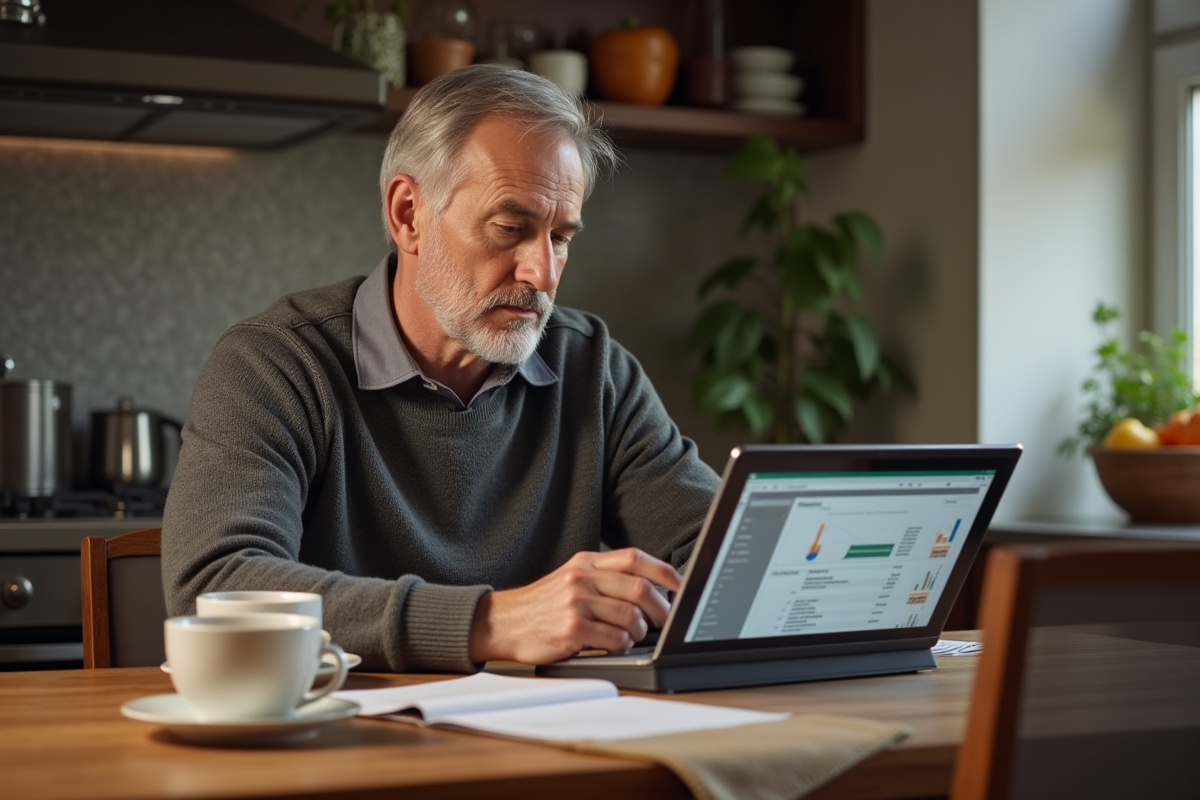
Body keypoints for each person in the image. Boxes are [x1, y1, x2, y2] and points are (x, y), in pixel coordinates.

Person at [162, 65, 721, 673]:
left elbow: (724, 554)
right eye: (511, 228)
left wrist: (635, 606)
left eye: (560, 237)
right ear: (408, 215)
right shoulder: (275, 365)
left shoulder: (594, 368)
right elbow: (217, 585)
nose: (542, 273)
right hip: (341, 741)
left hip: (546, 737)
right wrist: (491, 622)